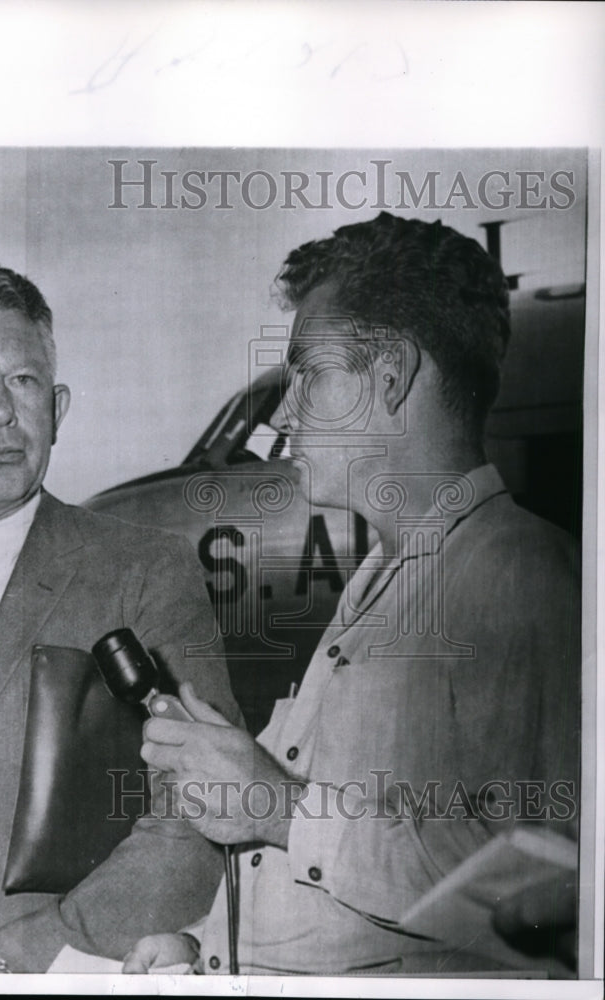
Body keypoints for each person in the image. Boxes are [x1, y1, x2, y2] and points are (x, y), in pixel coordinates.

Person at [124, 213, 581, 976]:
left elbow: (543, 893)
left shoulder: (522, 577)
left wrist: (273, 804)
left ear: (391, 377)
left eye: (309, 372)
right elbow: (345, 867)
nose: (289, 408)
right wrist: (205, 946)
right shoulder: (384, 577)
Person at [0, 266, 240, 973]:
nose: (0, 411)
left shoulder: (145, 572)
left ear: (58, 410)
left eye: (24, 382)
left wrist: (38, 959)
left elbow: (196, 811)